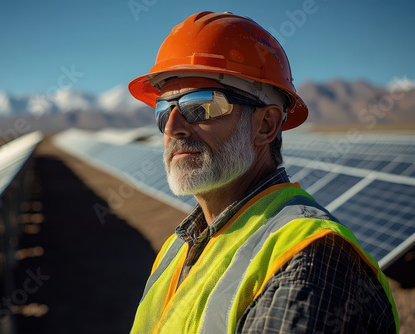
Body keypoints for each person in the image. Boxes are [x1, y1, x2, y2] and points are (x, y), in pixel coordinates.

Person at [127, 11, 399, 333]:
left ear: (266, 125)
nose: (172, 127)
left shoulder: (309, 260)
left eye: (200, 105)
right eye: (164, 109)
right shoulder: (178, 246)